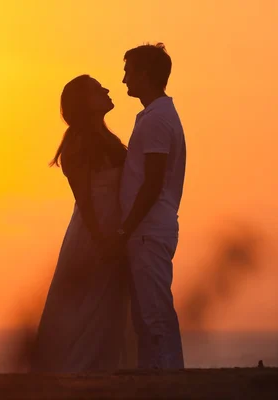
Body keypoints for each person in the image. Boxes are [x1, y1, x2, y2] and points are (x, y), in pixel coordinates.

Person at [30, 75, 136, 373]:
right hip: (94, 232)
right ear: (83, 101)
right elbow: (85, 200)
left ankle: (101, 369)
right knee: (89, 306)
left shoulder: (107, 139)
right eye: (97, 88)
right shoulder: (78, 142)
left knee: (108, 305)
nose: (106, 90)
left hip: (112, 229)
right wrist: (102, 240)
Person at [103, 43, 186, 369]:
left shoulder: (155, 120)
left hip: (148, 230)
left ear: (145, 74)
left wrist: (125, 229)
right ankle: (158, 375)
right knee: (146, 313)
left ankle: (167, 377)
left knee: (154, 313)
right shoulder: (157, 115)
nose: (124, 80)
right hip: (149, 228)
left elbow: (152, 183)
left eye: (129, 72)